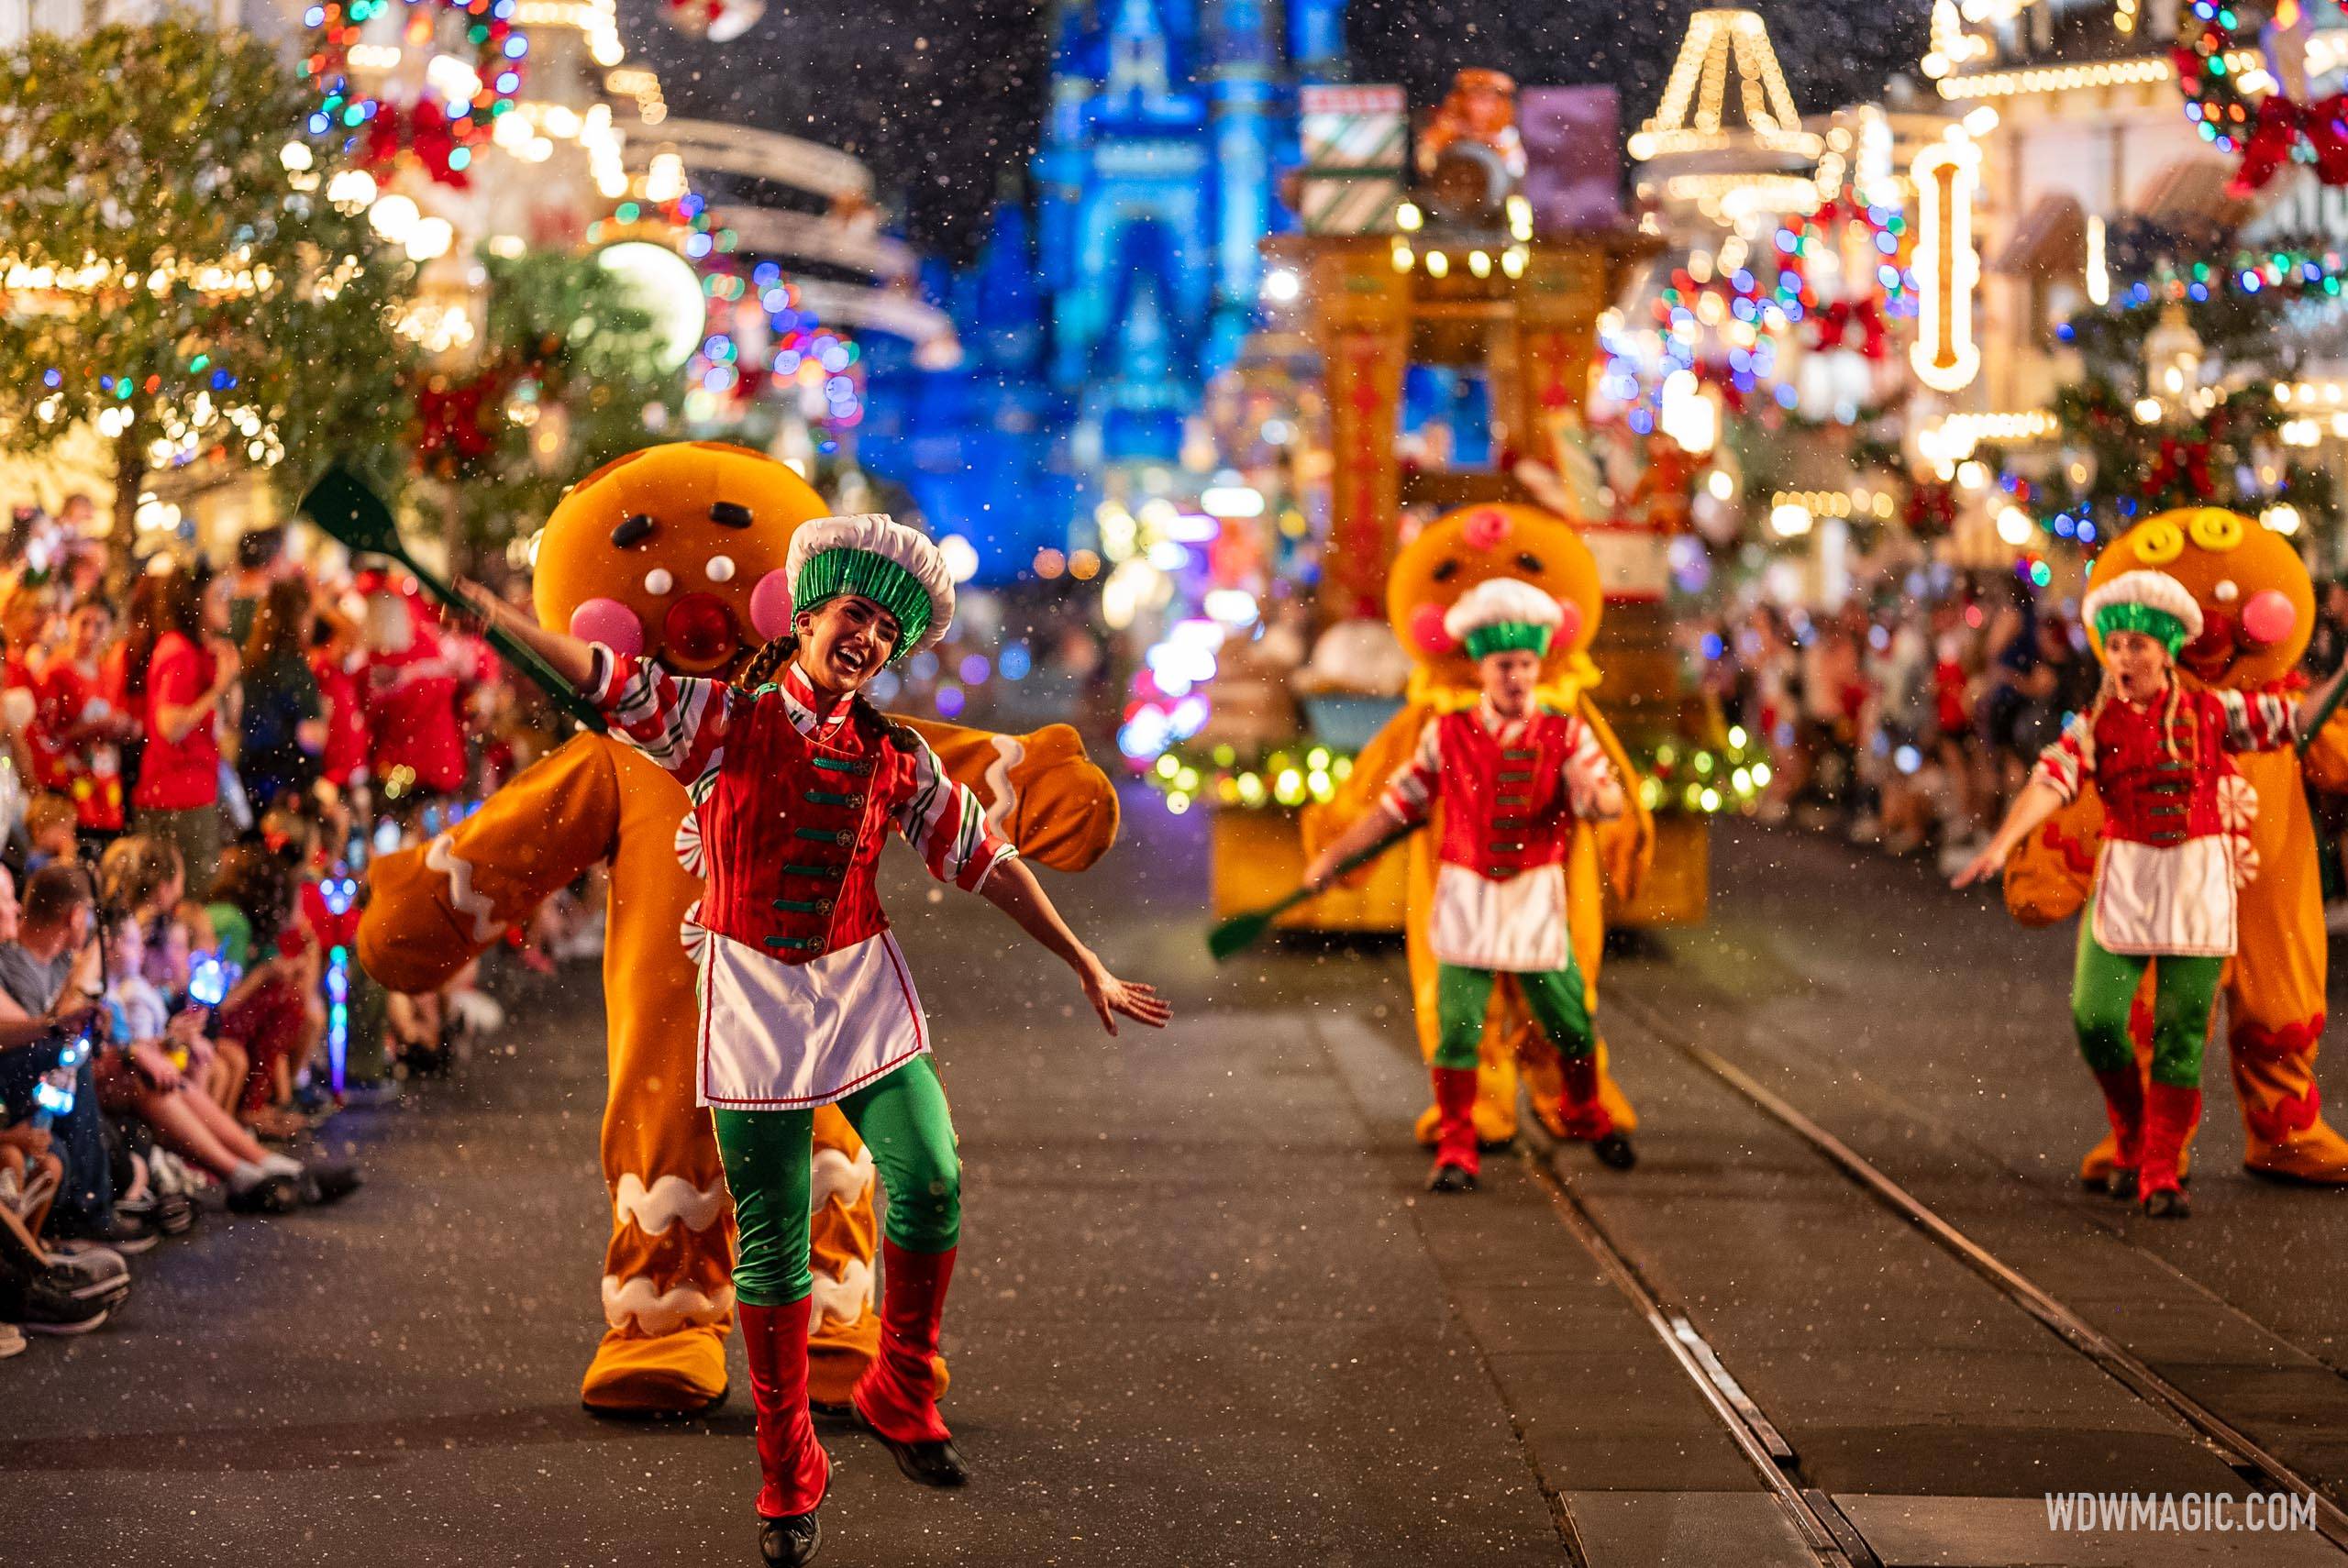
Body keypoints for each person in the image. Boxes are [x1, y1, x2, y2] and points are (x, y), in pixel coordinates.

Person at [452, 511, 1171, 1568]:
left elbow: (989, 860)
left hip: (858, 988)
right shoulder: (716, 723)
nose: (867, 638)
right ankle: (788, 1456)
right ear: (802, 618)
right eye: (851, 614)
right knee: (777, 1238)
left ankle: (900, 1379)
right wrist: (497, 617)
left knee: (929, 1176)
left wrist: (1085, 963)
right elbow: (607, 679)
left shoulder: (898, 755)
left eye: (887, 628)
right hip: (750, 998)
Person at [1955, 569, 2348, 1217]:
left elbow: (2297, 719)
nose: (2123, 658)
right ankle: (2133, 1129)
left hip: (2198, 888)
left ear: (2167, 649)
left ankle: (2161, 1169)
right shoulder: (2097, 722)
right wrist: (2003, 841)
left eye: (2137, 644)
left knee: (2180, 1033)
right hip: (2128, 887)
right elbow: (2053, 780)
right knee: (2098, 1019)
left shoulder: (2214, 712)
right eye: (2114, 646)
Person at [1304, 576, 1633, 1191]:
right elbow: (1393, 808)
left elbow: (1608, 795)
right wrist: (1336, 856)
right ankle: (1458, 1142)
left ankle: (1585, 1111)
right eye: (1506, 665)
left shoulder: (1565, 733)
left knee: (1569, 1023)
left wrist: (1598, 796)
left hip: (1535, 902)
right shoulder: (1447, 734)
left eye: (1528, 665)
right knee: (1457, 1028)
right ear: (1482, 668)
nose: (1518, 678)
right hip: (1466, 903)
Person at [126, 566, 238, 895]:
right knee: (189, 900)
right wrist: (217, 690)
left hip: (196, 793)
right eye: (218, 595)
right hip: (175, 798)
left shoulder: (205, 650)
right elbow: (170, 726)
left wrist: (229, 680)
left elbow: (231, 720)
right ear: (195, 603)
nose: (227, 603)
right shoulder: (178, 651)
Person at [30, 596, 130, 839]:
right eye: (83, 623)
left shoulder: (109, 673)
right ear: (69, 622)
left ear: (111, 629)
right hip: (71, 786)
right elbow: (46, 735)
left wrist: (125, 727)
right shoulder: (56, 672)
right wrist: (89, 729)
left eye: (99, 626)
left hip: (105, 785)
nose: (90, 634)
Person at [237, 577, 326, 814]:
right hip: (288, 780)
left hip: (251, 773)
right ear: (297, 619)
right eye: (308, 616)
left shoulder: (253, 661)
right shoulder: (295, 669)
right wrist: (324, 716)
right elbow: (311, 735)